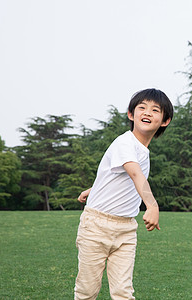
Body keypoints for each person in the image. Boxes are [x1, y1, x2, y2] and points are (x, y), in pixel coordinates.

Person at [74, 88, 173, 300]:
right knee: (87, 291)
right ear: (131, 114)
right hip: (96, 227)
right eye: (142, 108)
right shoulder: (125, 142)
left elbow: (120, 176)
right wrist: (153, 206)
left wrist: (94, 188)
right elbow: (136, 174)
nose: (147, 112)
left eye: (155, 110)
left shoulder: (142, 151)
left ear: (165, 120)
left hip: (126, 229)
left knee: (123, 293)